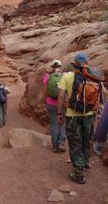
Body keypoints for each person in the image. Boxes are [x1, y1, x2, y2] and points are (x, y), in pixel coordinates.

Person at [57, 52, 104, 184]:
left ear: (74, 64)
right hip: (89, 115)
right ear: (86, 64)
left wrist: (59, 113)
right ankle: (86, 162)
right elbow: (102, 95)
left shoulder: (67, 76)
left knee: (75, 143)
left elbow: (61, 96)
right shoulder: (93, 77)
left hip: (72, 116)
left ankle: (78, 173)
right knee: (86, 139)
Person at [43, 60, 66, 153]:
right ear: (60, 66)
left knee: (54, 124)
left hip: (50, 104)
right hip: (63, 104)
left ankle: (55, 146)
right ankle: (61, 143)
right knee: (63, 124)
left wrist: (45, 101)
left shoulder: (47, 76)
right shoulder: (64, 75)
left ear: (52, 67)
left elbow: (45, 91)